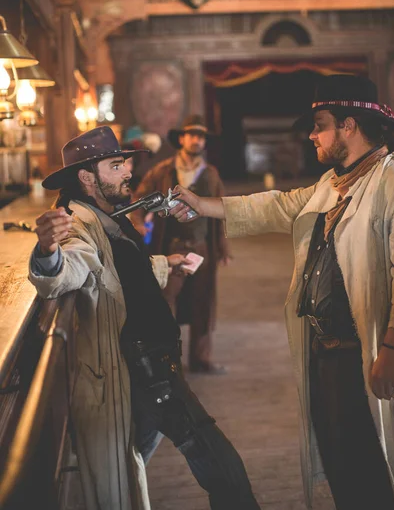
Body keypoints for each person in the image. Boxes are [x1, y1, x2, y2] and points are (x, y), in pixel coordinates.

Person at [169, 75, 394, 510]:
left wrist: (392, 345)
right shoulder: (333, 182)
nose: (312, 134)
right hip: (325, 351)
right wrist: (203, 206)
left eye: (319, 124)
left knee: (373, 463)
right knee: (339, 459)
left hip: (365, 351)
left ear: (349, 125)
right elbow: (276, 205)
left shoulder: (392, 180)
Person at [28, 126, 260, 510]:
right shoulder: (75, 225)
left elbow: (115, 273)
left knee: (128, 460)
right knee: (220, 464)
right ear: (88, 176)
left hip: (149, 365)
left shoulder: (102, 215)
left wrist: (163, 264)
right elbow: (63, 274)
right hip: (148, 372)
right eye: (116, 166)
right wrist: (47, 248)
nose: (127, 173)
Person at [132, 115, 231, 374]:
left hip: (202, 248)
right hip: (171, 246)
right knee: (166, 302)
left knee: (203, 302)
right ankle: (167, 360)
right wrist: (139, 222)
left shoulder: (210, 174)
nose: (197, 140)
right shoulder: (163, 171)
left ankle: (200, 359)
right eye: (192, 135)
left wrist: (223, 247)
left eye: (202, 136)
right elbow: (140, 198)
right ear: (182, 139)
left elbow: (222, 211)